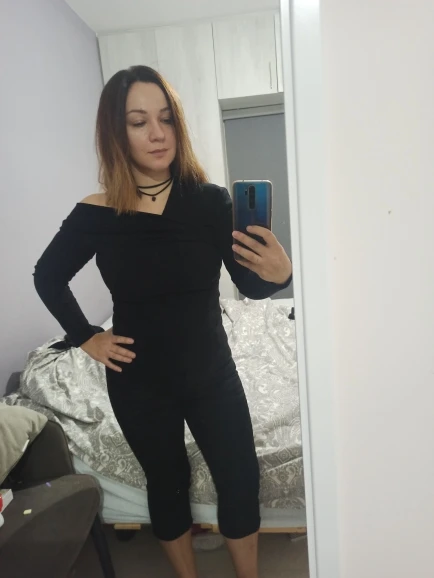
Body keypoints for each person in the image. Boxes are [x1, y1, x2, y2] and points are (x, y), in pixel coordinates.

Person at [34, 65, 292, 578]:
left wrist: (279, 274)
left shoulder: (210, 202)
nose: (157, 133)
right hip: (138, 380)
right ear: (116, 132)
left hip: (210, 371)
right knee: (167, 483)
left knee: (240, 480)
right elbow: (48, 276)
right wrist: (87, 337)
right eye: (138, 122)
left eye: (166, 119)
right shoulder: (97, 212)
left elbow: (249, 286)